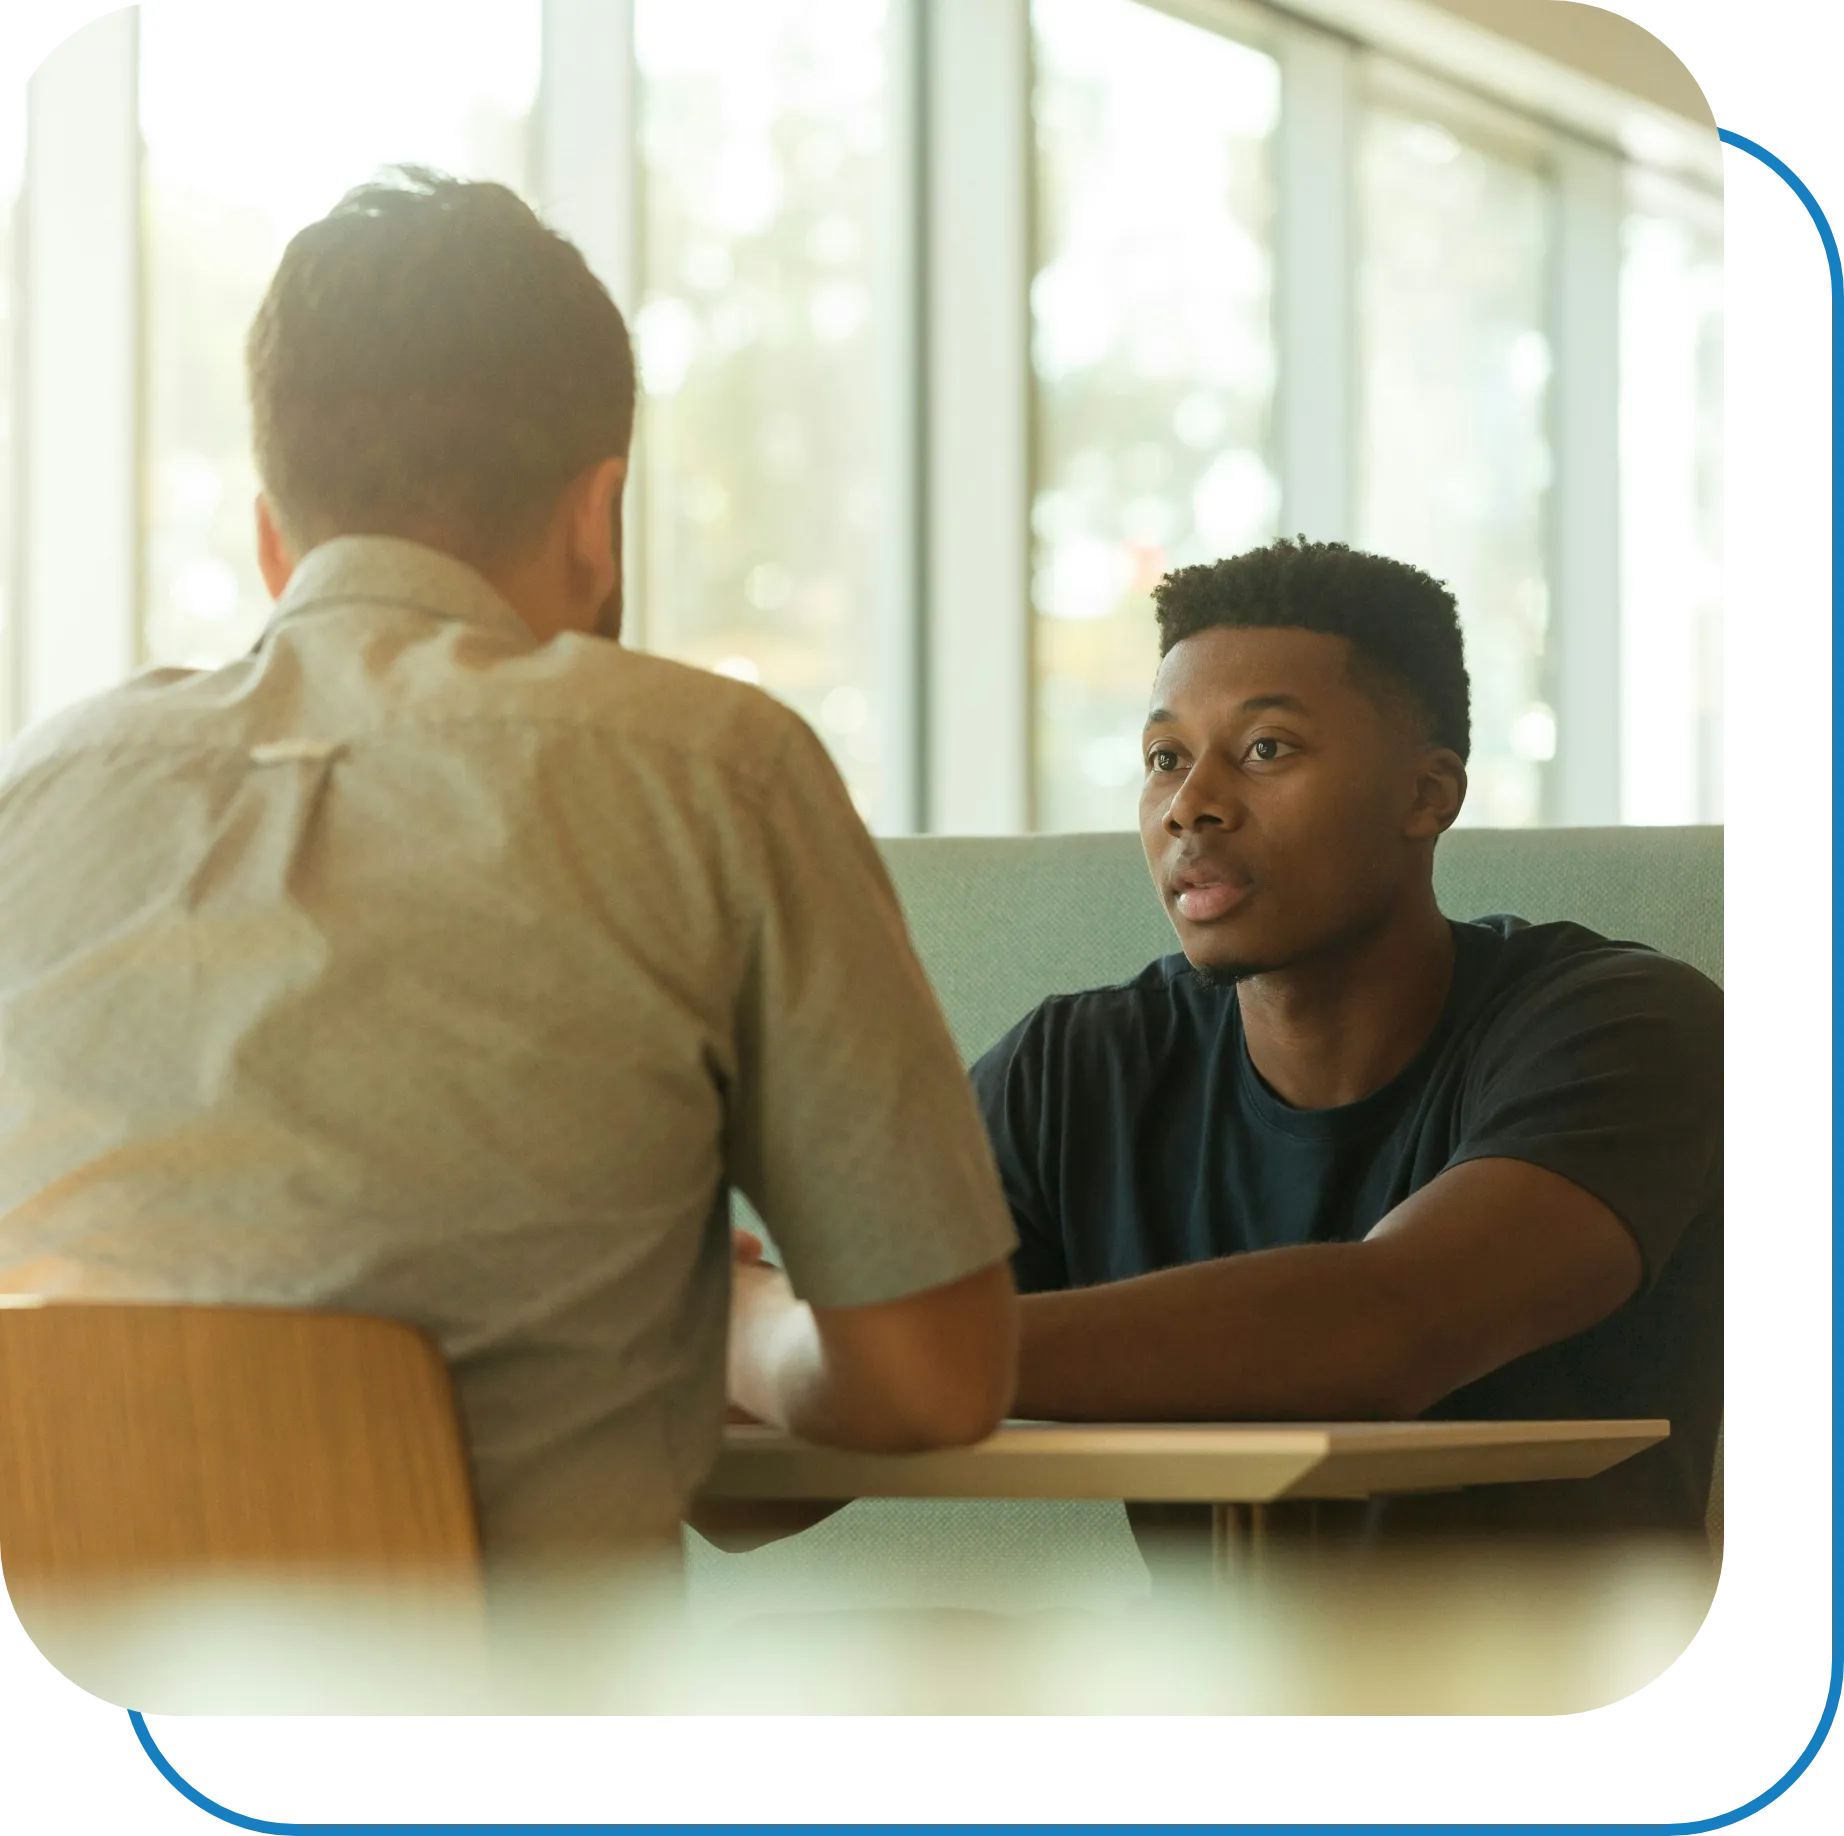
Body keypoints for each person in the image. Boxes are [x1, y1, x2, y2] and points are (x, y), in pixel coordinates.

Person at [0, 168, 1018, 1572]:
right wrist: (747, 1333)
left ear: (272, 537)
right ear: (599, 520)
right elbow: (932, 1382)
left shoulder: (39, 789)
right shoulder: (716, 769)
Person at [969, 538, 1724, 1549]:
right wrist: (749, 1336)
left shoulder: (1626, 1028)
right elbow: (756, 1500)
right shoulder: (1071, 1071)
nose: (1190, 803)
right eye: (1162, 759)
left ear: (1427, 795)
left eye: (1265, 749)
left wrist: (869, 1352)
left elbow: (1382, 1330)